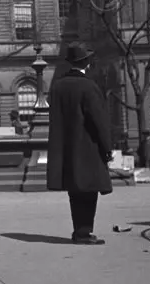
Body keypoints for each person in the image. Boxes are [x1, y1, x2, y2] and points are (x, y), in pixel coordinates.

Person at [46, 43, 113, 245]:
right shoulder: (89, 87)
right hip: (87, 148)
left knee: (75, 192)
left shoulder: (57, 86)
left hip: (66, 148)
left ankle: (79, 230)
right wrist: (107, 147)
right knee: (89, 192)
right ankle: (84, 232)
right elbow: (98, 120)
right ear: (87, 63)